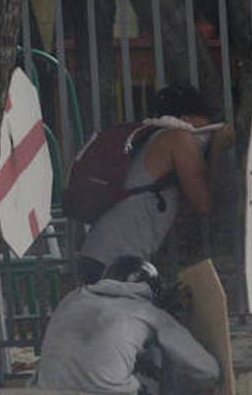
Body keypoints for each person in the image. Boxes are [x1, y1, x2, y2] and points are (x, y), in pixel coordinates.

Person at [76, 84, 224, 284]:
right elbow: (204, 202)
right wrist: (219, 147)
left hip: (101, 252)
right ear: (187, 119)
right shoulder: (178, 138)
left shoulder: (154, 138)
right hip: (117, 261)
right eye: (207, 119)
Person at [34, 255, 221, 395]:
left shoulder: (71, 299)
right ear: (151, 291)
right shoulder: (148, 313)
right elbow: (206, 370)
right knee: (157, 365)